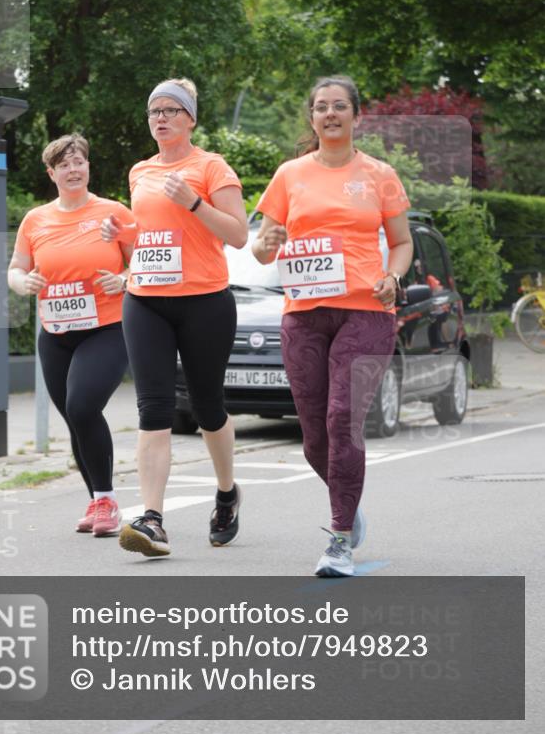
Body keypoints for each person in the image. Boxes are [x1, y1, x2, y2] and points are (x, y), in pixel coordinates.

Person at [252, 76, 413, 577]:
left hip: (367, 311)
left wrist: (392, 276)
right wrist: (268, 241)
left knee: (343, 418)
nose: (330, 114)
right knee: (314, 438)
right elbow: (260, 249)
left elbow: (402, 243)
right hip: (303, 315)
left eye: (339, 106)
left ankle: (339, 536)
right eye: (321, 107)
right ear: (312, 118)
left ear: (356, 116)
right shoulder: (290, 175)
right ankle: (349, 499)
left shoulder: (380, 174)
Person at [102, 78, 248, 558]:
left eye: (170, 110)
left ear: (190, 118)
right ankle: (152, 519)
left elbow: (239, 235)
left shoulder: (212, 167)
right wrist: (121, 232)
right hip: (144, 299)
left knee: (207, 407)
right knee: (154, 408)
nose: (160, 118)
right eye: (153, 112)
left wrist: (195, 202)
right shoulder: (139, 171)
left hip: (205, 301)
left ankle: (226, 492)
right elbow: (147, 232)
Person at [8, 133, 135, 537]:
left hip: (107, 328)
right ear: (52, 173)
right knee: (75, 418)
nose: (73, 169)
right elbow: (15, 268)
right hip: (56, 333)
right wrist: (21, 282)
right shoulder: (36, 219)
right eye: (64, 164)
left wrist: (124, 279)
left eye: (79, 161)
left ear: (88, 168)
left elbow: (143, 263)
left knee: (82, 407)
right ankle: (99, 499)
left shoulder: (114, 213)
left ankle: (108, 502)